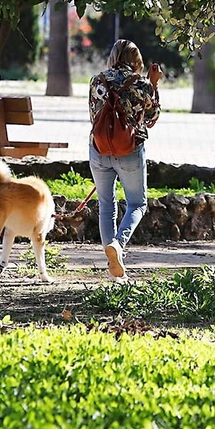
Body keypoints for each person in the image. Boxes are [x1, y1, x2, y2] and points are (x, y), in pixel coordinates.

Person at [87, 38, 161, 276]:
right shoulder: (141, 84)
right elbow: (152, 118)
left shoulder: (97, 80)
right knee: (137, 204)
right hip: (129, 150)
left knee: (106, 206)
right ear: (136, 59)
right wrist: (154, 85)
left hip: (99, 150)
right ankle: (117, 245)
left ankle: (113, 265)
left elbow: (93, 115)